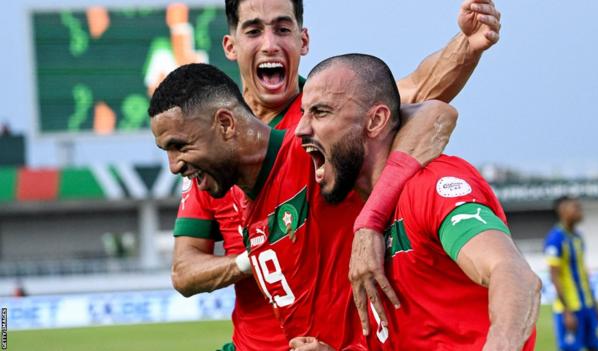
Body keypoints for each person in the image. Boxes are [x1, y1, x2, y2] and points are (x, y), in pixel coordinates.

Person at [171, 0, 503, 349]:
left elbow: (424, 100)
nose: (270, 44)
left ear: (303, 40)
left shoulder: (333, 125)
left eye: (283, 29)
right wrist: (251, 259)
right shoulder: (212, 159)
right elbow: (183, 270)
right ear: (230, 45)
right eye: (254, 31)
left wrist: (467, 43)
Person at [149, 63, 456, 350]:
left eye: (180, 146)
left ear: (226, 124)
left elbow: (435, 114)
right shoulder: (248, 205)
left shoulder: (306, 152)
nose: (173, 166)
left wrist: (369, 223)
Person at [293, 54, 541, 350]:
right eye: (304, 113)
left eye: (320, 113)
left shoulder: (432, 185)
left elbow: (513, 274)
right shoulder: (359, 219)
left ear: (375, 121)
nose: (301, 129)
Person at [544, 196, 598, 351]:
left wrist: (596, 305)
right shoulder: (555, 239)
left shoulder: (578, 237)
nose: (580, 211)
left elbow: (583, 272)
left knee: (596, 346)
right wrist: (567, 311)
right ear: (563, 211)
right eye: (576, 208)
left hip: (587, 306)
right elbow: (554, 276)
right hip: (571, 308)